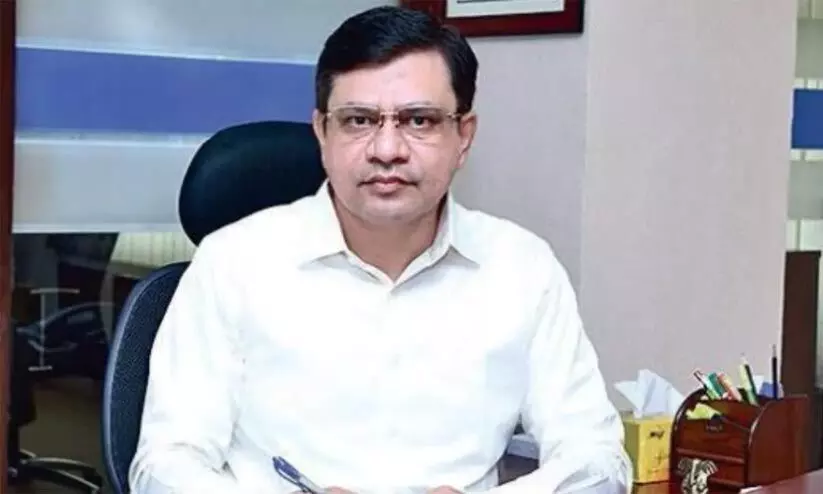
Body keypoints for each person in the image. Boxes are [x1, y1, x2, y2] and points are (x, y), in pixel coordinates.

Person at [129, 5, 630, 494]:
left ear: (463, 136)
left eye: (419, 121)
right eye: (358, 120)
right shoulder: (232, 264)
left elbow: (598, 459)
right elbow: (164, 467)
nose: (387, 150)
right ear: (322, 132)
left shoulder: (522, 269)